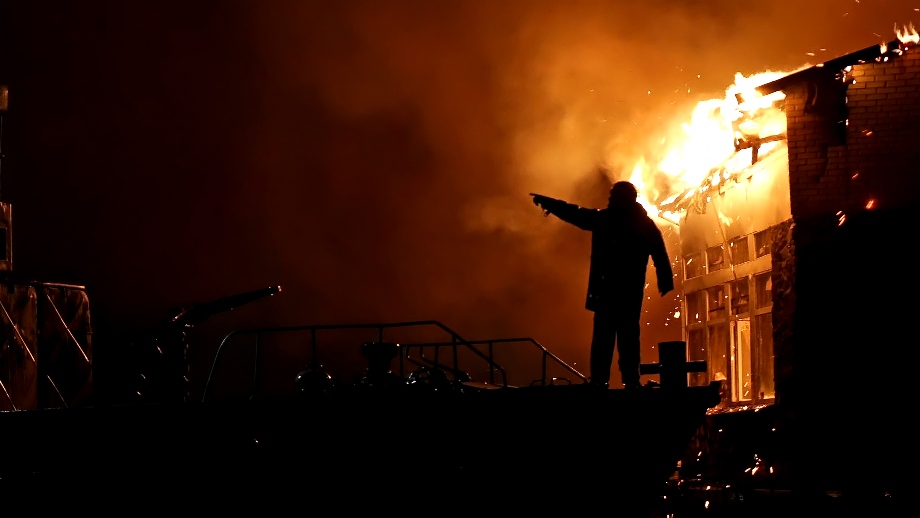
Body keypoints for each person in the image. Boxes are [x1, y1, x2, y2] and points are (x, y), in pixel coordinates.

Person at [530, 181, 674, 389]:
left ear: (622, 199)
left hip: (608, 292)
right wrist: (665, 281)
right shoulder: (643, 224)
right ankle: (629, 381)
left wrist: (549, 204)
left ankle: (601, 381)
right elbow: (660, 253)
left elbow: (577, 214)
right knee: (626, 338)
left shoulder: (606, 221)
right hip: (628, 293)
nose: (609, 200)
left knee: (607, 339)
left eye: (613, 197)